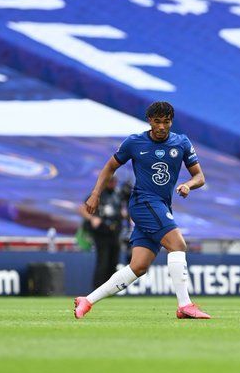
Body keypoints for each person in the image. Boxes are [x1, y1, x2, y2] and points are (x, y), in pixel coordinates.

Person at [74, 101, 211, 320]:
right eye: (157, 122)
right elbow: (110, 167)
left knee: (138, 267)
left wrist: (188, 185)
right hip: (144, 202)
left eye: (166, 122)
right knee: (178, 244)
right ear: (149, 121)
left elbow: (200, 177)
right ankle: (185, 305)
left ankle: (87, 301)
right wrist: (95, 194)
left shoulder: (182, 143)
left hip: (162, 205)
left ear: (171, 122)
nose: (161, 127)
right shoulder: (134, 142)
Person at [78, 175, 125, 289]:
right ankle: (98, 288)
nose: (112, 183)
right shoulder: (98, 194)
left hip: (115, 232)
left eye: (114, 181)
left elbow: (123, 208)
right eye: (110, 181)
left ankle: (111, 289)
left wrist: (124, 214)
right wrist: (92, 218)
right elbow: (82, 209)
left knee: (114, 262)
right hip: (101, 232)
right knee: (102, 262)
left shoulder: (118, 194)